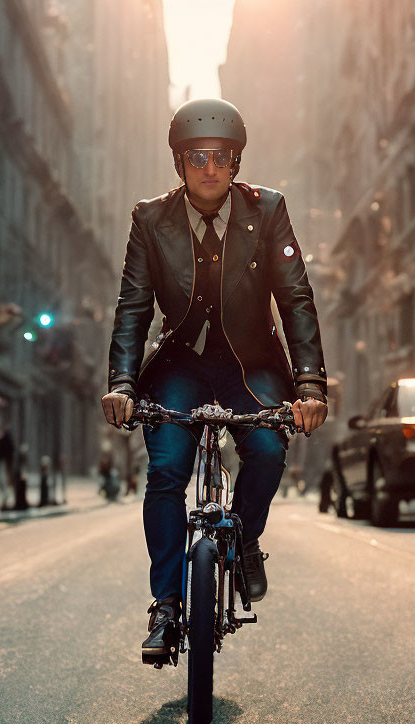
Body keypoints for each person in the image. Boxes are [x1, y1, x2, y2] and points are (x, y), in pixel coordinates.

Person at [101, 98, 328, 660]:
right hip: (179, 364)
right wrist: (124, 385)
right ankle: (167, 607)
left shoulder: (269, 210)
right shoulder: (149, 219)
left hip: (250, 364)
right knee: (167, 471)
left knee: (270, 451)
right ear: (179, 163)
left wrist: (309, 385)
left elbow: (296, 298)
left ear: (236, 162)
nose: (210, 167)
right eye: (197, 156)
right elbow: (132, 307)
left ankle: (245, 539)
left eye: (222, 157)